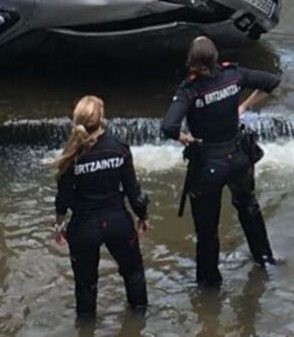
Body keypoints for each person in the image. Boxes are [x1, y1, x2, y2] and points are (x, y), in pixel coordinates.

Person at [161, 36, 280, 288]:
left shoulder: (190, 90)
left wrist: (185, 139)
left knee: (207, 231)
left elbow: (169, 127)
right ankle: (265, 259)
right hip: (238, 158)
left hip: (207, 166)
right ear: (215, 58)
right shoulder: (233, 76)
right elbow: (272, 81)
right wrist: (244, 106)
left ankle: (209, 287)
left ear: (191, 61)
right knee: (249, 207)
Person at [53, 95, 149, 320]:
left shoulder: (71, 157)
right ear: (102, 118)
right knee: (134, 275)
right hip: (118, 222)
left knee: (85, 286)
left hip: (84, 227)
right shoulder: (119, 149)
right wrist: (143, 216)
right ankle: (138, 325)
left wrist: (58, 224)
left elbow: (63, 199)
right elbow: (134, 190)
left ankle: (86, 329)